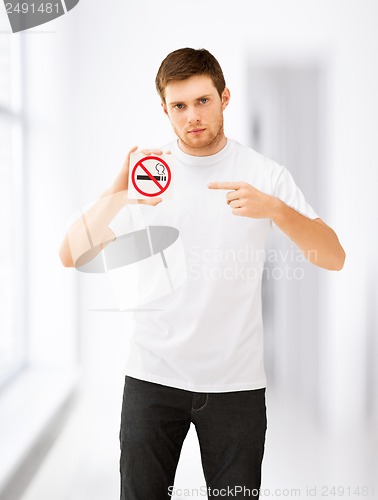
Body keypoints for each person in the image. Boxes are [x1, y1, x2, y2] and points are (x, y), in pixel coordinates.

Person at [59, 48, 345, 499]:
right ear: (165, 110)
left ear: (225, 97)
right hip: (152, 377)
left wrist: (275, 209)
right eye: (179, 105)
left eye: (203, 101)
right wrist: (117, 190)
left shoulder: (264, 175)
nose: (192, 115)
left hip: (236, 383)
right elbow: (70, 253)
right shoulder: (149, 176)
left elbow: (333, 256)